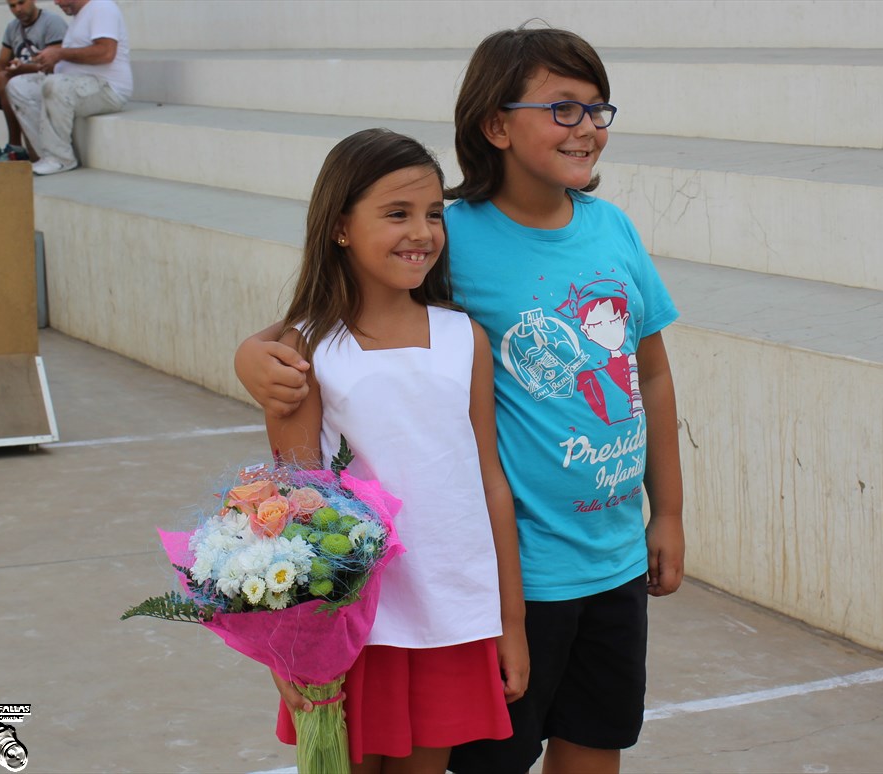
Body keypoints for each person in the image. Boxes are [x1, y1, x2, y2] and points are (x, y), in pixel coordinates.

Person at [236, 26, 685, 774]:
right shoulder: (453, 233)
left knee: (599, 737)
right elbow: (343, 306)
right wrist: (252, 353)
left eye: (597, 108)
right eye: (562, 108)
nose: (587, 127)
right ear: (496, 125)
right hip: (518, 573)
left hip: (613, 559)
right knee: (494, 759)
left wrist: (665, 510)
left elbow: (655, 374)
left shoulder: (613, 230)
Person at [265, 127, 529, 774]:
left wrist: (511, 623)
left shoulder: (464, 337)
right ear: (340, 228)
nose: (423, 232)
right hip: (351, 624)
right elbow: (291, 502)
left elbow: (488, 481)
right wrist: (289, 645)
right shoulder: (304, 349)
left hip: (448, 613)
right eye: (397, 213)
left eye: (433, 214)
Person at [6, 0, 130, 175]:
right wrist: (50, 62)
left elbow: (106, 52)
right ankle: (46, 155)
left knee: (54, 85)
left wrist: (60, 54)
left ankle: (61, 159)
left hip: (107, 88)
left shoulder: (102, 7)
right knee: (19, 86)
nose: (56, 2)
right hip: (78, 84)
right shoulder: (81, 14)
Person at [0, 0, 68, 162]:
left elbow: (56, 64)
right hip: (16, 82)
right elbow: (0, 65)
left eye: (21, 3)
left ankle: (15, 145)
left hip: (45, 83)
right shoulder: (12, 27)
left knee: (3, 78)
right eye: (12, 6)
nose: (18, 9)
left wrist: (22, 69)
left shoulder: (52, 22)